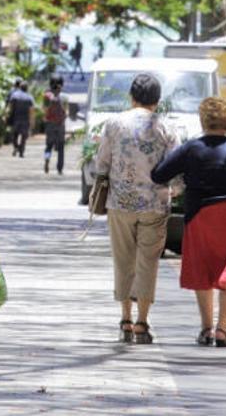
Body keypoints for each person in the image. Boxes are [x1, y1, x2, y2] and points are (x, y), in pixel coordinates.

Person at [151, 97, 226, 347]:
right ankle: (222, 330)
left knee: (203, 270)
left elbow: (159, 174)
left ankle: (206, 328)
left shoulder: (191, 148)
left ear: (203, 120)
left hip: (200, 217)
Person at [93, 73, 180, 345]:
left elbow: (102, 163)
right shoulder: (166, 127)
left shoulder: (114, 124)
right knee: (148, 262)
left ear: (132, 96)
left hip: (121, 203)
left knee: (123, 259)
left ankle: (125, 318)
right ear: (157, 100)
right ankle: (143, 322)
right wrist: (173, 192)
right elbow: (177, 169)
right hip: (155, 205)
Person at [43, 75, 68, 175]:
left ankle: (47, 160)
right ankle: (59, 168)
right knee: (61, 147)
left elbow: (44, 110)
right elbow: (66, 112)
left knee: (48, 146)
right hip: (60, 125)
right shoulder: (64, 96)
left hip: (50, 124)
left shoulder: (46, 96)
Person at [6, 79, 35, 158]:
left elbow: (10, 107)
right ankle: (21, 152)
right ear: (27, 88)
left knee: (14, 135)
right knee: (23, 137)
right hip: (25, 120)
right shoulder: (30, 98)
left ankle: (16, 147)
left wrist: (7, 116)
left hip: (16, 119)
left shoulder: (14, 95)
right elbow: (31, 111)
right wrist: (32, 122)